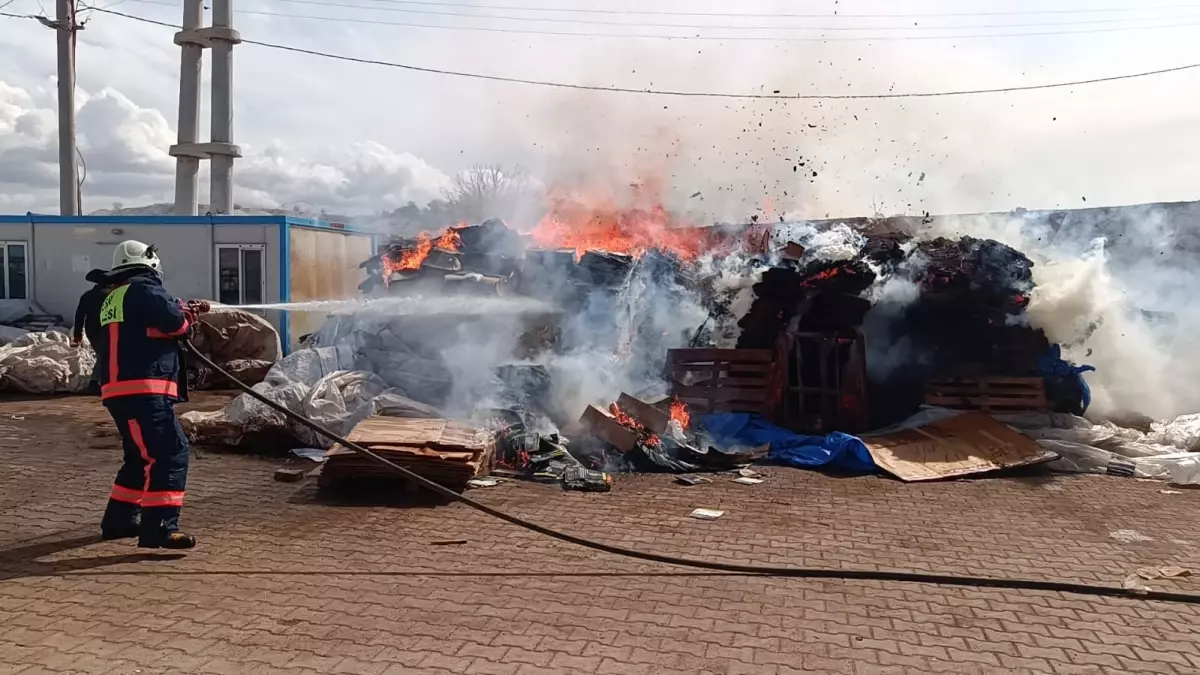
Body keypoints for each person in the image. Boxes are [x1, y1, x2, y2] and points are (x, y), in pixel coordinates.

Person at [94, 240, 209, 549]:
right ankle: (159, 528)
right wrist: (186, 316)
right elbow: (175, 325)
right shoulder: (145, 289)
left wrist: (180, 311)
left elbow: (143, 328)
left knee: (139, 457)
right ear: (151, 265)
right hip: (145, 389)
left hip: (121, 390)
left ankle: (118, 521)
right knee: (170, 453)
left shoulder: (113, 297)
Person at [71, 268, 113, 396]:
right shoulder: (112, 295)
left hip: (92, 331)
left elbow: (79, 316)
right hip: (108, 329)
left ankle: (97, 382)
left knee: (103, 355)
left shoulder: (87, 295)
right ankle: (96, 383)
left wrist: (77, 335)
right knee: (106, 356)